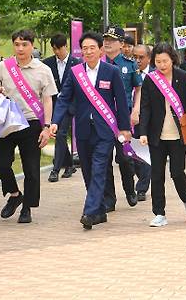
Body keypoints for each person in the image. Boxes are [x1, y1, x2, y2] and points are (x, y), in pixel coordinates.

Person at [49, 31, 131, 230]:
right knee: (87, 170)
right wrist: (55, 121)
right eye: (84, 48)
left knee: (99, 169)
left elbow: (120, 101)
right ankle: (99, 211)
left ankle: (89, 210)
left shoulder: (111, 72)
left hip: (105, 132)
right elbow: (64, 98)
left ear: (101, 50)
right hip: (83, 130)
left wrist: (125, 128)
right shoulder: (76, 72)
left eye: (92, 48)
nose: (88, 52)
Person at [0, 30, 57, 223]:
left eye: (24, 44)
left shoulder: (43, 70)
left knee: (31, 169)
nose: (20, 48)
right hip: (7, 122)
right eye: (17, 44)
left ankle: (27, 207)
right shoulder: (3, 67)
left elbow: (47, 100)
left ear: (32, 46)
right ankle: (14, 194)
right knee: (2, 165)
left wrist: (46, 126)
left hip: (32, 123)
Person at [138, 42, 186, 227]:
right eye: (158, 61)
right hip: (157, 135)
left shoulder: (183, 77)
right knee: (157, 174)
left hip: (178, 135)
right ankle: (159, 213)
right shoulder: (150, 80)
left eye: (165, 61)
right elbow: (145, 107)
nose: (162, 65)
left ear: (172, 59)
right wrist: (143, 132)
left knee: (177, 172)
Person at [102, 26, 144, 209]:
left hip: (122, 119)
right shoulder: (97, 63)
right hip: (102, 117)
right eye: (106, 39)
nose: (108, 43)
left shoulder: (129, 64)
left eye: (112, 40)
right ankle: (109, 198)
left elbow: (138, 88)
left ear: (121, 44)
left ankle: (129, 189)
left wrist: (136, 109)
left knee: (124, 157)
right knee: (104, 159)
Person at [43, 33, 81, 182]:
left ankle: (55, 169)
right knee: (60, 134)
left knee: (60, 134)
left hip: (69, 105)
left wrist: (73, 106)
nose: (57, 52)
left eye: (59, 48)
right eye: (54, 49)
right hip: (52, 105)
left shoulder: (76, 63)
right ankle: (69, 164)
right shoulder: (47, 63)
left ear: (66, 46)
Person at [130, 43, 154, 201]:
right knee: (132, 155)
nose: (138, 60)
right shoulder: (129, 71)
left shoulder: (155, 74)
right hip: (131, 119)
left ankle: (142, 187)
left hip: (150, 120)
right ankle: (141, 177)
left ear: (149, 58)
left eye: (141, 57)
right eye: (135, 57)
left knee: (146, 153)